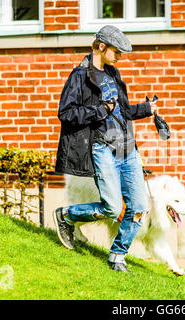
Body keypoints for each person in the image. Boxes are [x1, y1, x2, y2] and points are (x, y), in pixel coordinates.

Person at [53, 25, 157, 273]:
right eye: (117, 51)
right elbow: (65, 114)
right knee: (111, 207)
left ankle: (117, 257)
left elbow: (122, 111)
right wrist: (99, 110)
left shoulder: (113, 74)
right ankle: (67, 216)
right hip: (102, 149)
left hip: (128, 150)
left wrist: (146, 109)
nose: (120, 57)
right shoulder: (79, 76)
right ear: (102, 46)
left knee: (138, 208)